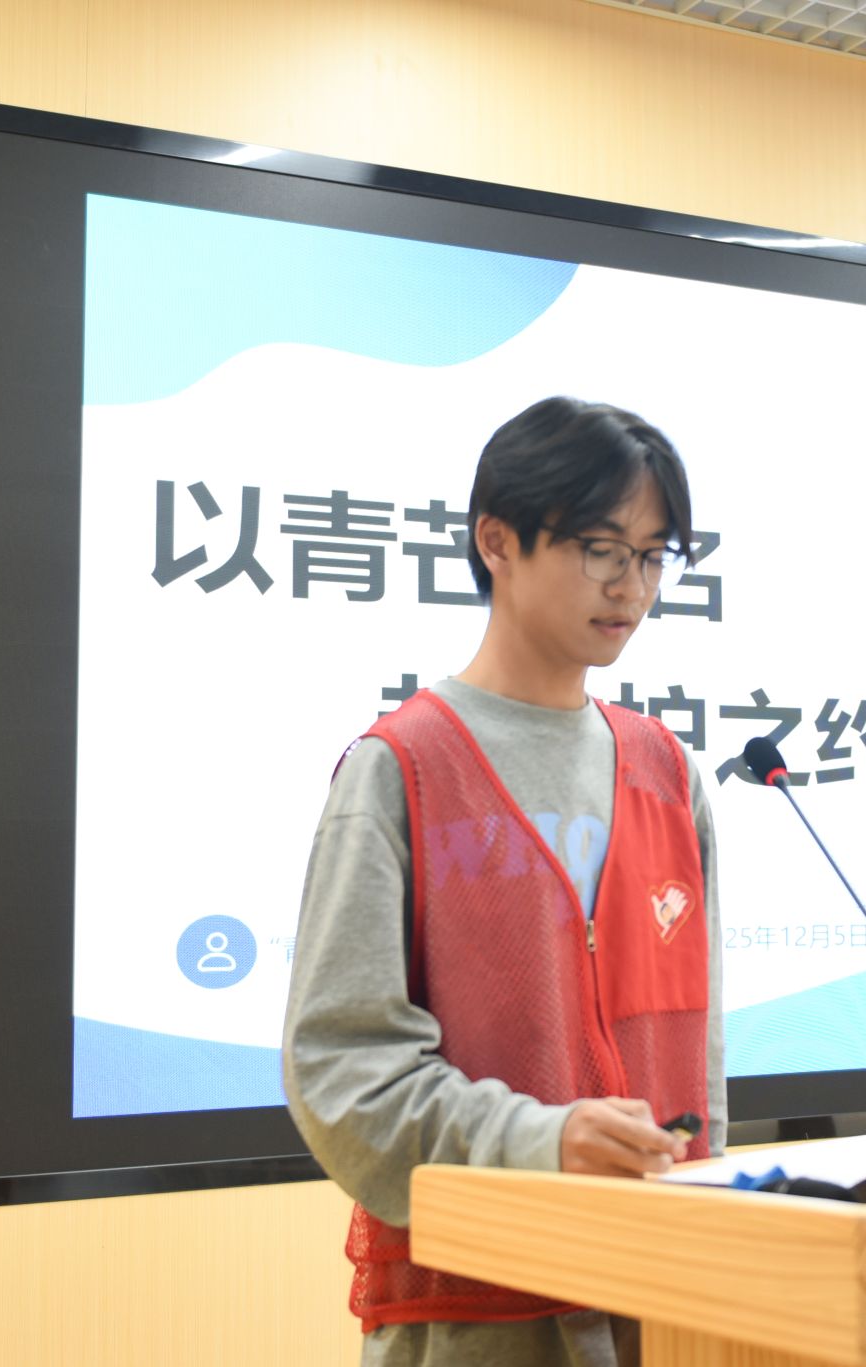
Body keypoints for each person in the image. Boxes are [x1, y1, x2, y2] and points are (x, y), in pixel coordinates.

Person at [283, 396, 726, 1367]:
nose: (631, 586)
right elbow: (342, 1070)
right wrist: (538, 1139)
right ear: (497, 541)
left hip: (660, 1300)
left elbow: (699, 1054)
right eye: (601, 548)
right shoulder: (401, 768)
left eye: (653, 556)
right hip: (477, 1320)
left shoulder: (667, 773)